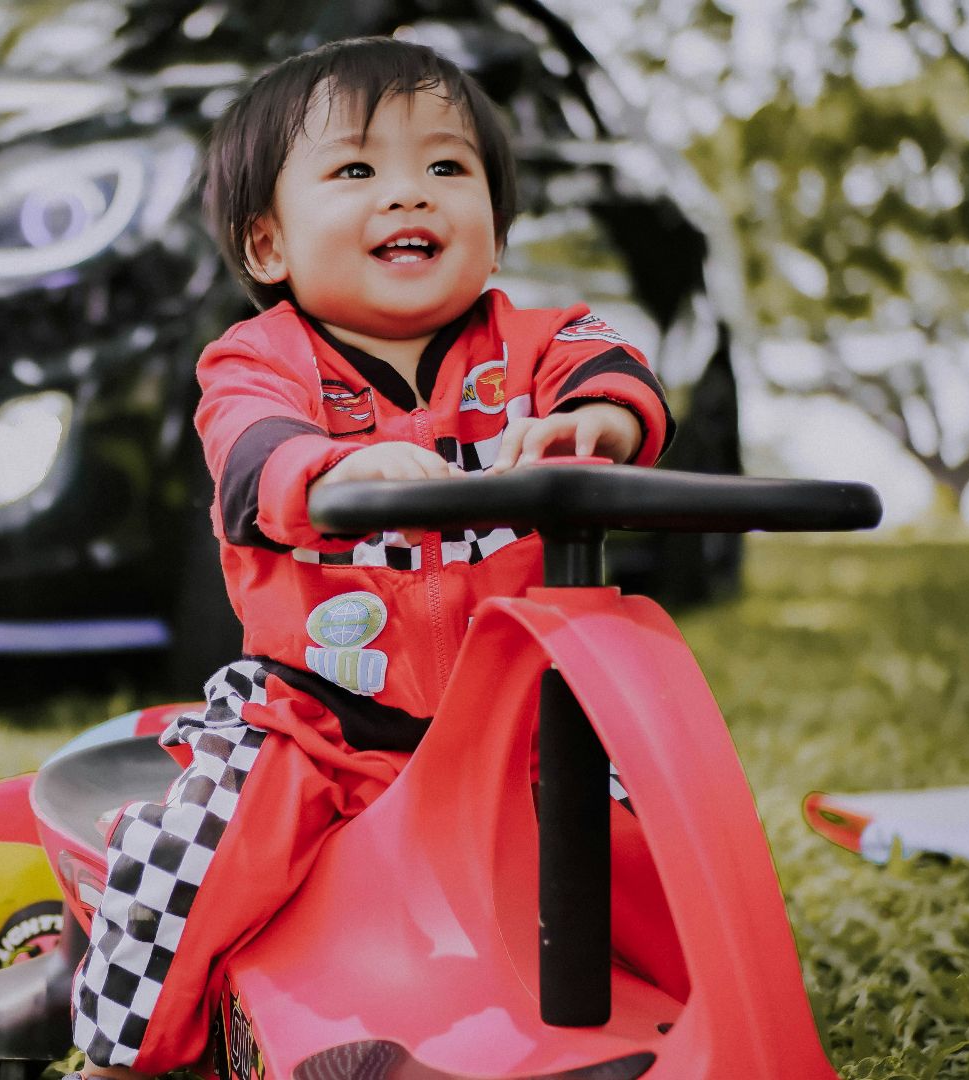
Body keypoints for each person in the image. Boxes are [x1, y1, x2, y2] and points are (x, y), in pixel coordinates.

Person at [69, 36, 675, 1079]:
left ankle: (689, 1007)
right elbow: (254, 458)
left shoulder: (541, 345)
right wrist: (336, 473)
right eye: (357, 171)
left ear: (494, 228)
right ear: (268, 244)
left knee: (670, 850)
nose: (411, 195)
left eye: (448, 168)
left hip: (526, 725)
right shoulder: (259, 359)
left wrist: (601, 426)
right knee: (191, 861)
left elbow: (618, 376)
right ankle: (123, 1045)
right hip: (313, 719)